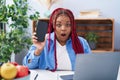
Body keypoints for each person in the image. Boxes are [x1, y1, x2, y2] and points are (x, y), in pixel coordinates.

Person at [23, 8, 91, 71]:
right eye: (59, 25)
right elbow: (27, 66)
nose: (63, 28)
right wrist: (38, 50)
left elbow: (90, 66)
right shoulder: (44, 40)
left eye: (68, 25)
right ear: (53, 25)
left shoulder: (81, 42)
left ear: (72, 26)